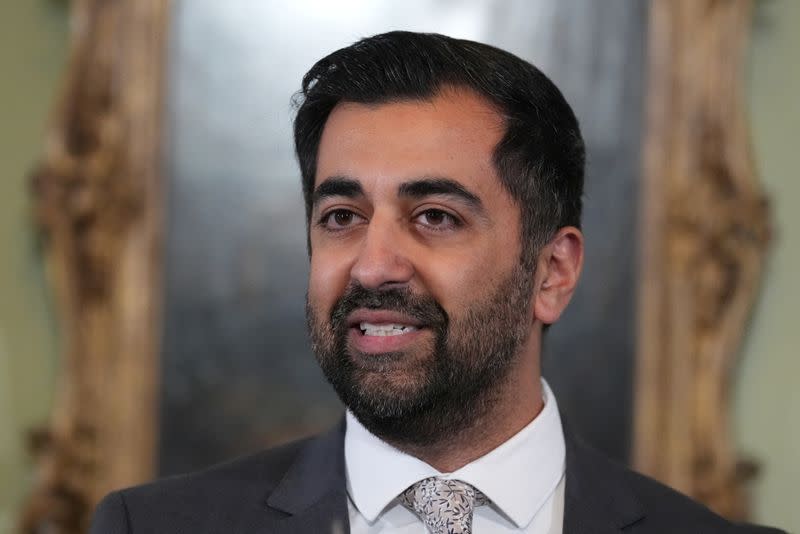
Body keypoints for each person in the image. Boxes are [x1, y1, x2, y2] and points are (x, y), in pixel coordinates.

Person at [90, 31, 784, 534]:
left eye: (434, 216)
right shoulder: (149, 527)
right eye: (342, 216)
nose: (371, 264)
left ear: (554, 272)